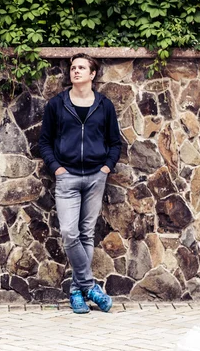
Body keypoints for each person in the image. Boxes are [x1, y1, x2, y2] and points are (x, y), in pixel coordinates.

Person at [38, 53, 121, 314]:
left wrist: (106, 168)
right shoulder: (57, 105)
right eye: (73, 68)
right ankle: (89, 286)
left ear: (92, 74)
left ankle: (76, 292)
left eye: (81, 68)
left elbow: (114, 142)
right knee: (69, 233)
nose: (76, 71)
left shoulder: (104, 105)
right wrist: (57, 169)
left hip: (96, 176)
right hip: (67, 177)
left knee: (86, 234)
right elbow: (45, 142)